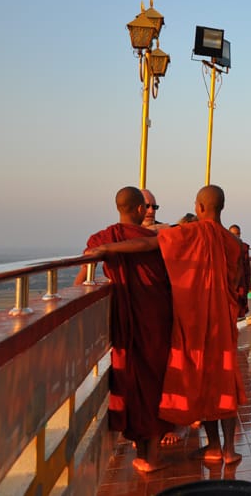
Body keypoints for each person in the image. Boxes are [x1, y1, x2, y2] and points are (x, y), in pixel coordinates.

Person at [88, 185, 247, 465]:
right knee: (224, 379)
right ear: (221, 207)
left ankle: (212, 446)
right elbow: (235, 286)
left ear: (199, 207)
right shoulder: (234, 243)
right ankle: (229, 450)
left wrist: (106, 248)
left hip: (196, 319)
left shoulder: (191, 232)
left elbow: (149, 244)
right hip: (224, 321)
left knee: (204, 379)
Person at [80, 186, 173, 473]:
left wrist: (105, 250)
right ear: (138, 209)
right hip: (157, 319)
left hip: (125, 322)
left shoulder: (101, 240)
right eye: (148, 207)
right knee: (155, 380)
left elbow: (82, 278)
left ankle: (146, 452)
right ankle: (151, 454)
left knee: (131, 380)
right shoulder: (157, 236)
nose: (150, 212)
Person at [229, 224, 251, 318]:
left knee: (240, 304)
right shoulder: (226, 247)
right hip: (230, 281)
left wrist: (249, 282)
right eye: (233, 234)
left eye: (237, 234)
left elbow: (247, 265)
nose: (236, 236)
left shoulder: (243, 247)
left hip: (242, 281)